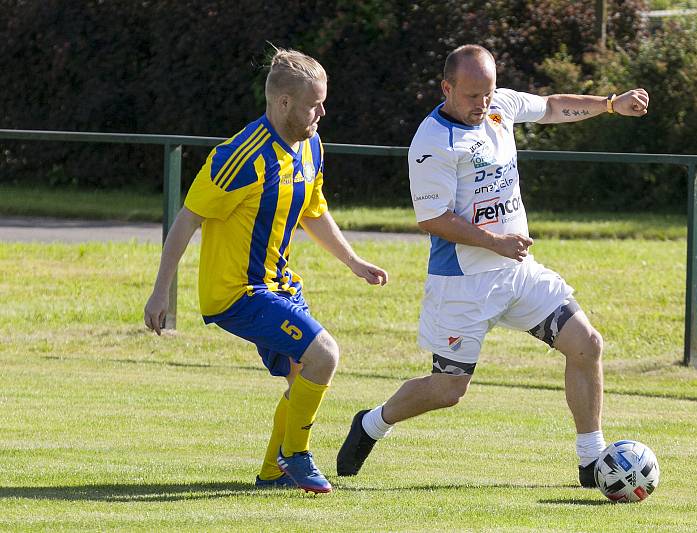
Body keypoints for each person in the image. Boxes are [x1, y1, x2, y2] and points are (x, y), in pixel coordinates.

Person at [337, 44, 648, 487]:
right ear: (447, 88)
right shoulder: (432, 142)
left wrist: (610, 105)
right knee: (448, 390)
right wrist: (494, 242)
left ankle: (590, 459)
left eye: (488, 93)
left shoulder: (499, 106)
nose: (482, 104)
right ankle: (371, 424)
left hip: (518, 272)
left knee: (587, 344)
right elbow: (433, 218)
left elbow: (553, 108)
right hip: (463, 285)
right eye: (471, 96)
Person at [144, 47, 388, 494]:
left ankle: (272, 474)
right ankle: (296, 455)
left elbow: (314, 213)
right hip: (236, 292)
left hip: (280, 286)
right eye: (315, 103)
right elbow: (187, 220)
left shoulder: (311, 147)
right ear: (283, 103)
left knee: (304, 373)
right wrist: (161, 292)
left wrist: (354, 262)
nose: (323, 112)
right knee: (325, 355)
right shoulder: (237, 156)